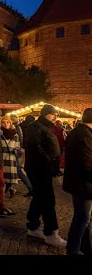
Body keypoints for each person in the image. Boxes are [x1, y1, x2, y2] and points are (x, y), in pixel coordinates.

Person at [24, 104, 66, 247]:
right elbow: (36, 149)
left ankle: (33, 226)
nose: (55, 117)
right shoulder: (35, 127)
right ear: (44, 114)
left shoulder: (46, 127)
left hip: (44, 169)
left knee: (39, 197)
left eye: (56, 115)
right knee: (48, 200)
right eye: (52, 114)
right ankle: (51, 233)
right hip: (39, 169)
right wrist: (49, 160)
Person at [63, 108, 92, 255]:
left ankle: (86, 247)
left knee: (85, 217)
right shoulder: (84, 135)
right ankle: (73, 249)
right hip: (82, 183)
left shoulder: (78, 132)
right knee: (83, 217)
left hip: (78, 181)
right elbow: (86, 163)